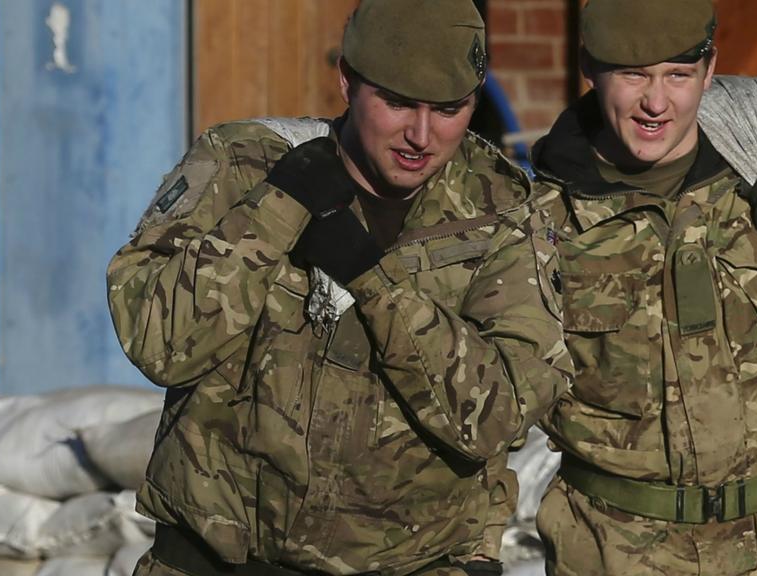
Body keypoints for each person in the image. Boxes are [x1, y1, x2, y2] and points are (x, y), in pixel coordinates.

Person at [106, 1, 573, 574]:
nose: (421, 136)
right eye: (398, 103)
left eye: (449, 110)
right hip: (212, 559)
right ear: (348, 81)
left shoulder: (498, 217)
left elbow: (498, 416)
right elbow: (159, 343)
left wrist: (375, 285)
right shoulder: (241, 166)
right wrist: (277, 209)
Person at [531, 0, 757, 574]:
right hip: (615, 550)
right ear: (589, 66)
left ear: (709, 68)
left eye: (678, 75)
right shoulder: (537, 215)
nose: (656, 103)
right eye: (633, 74)